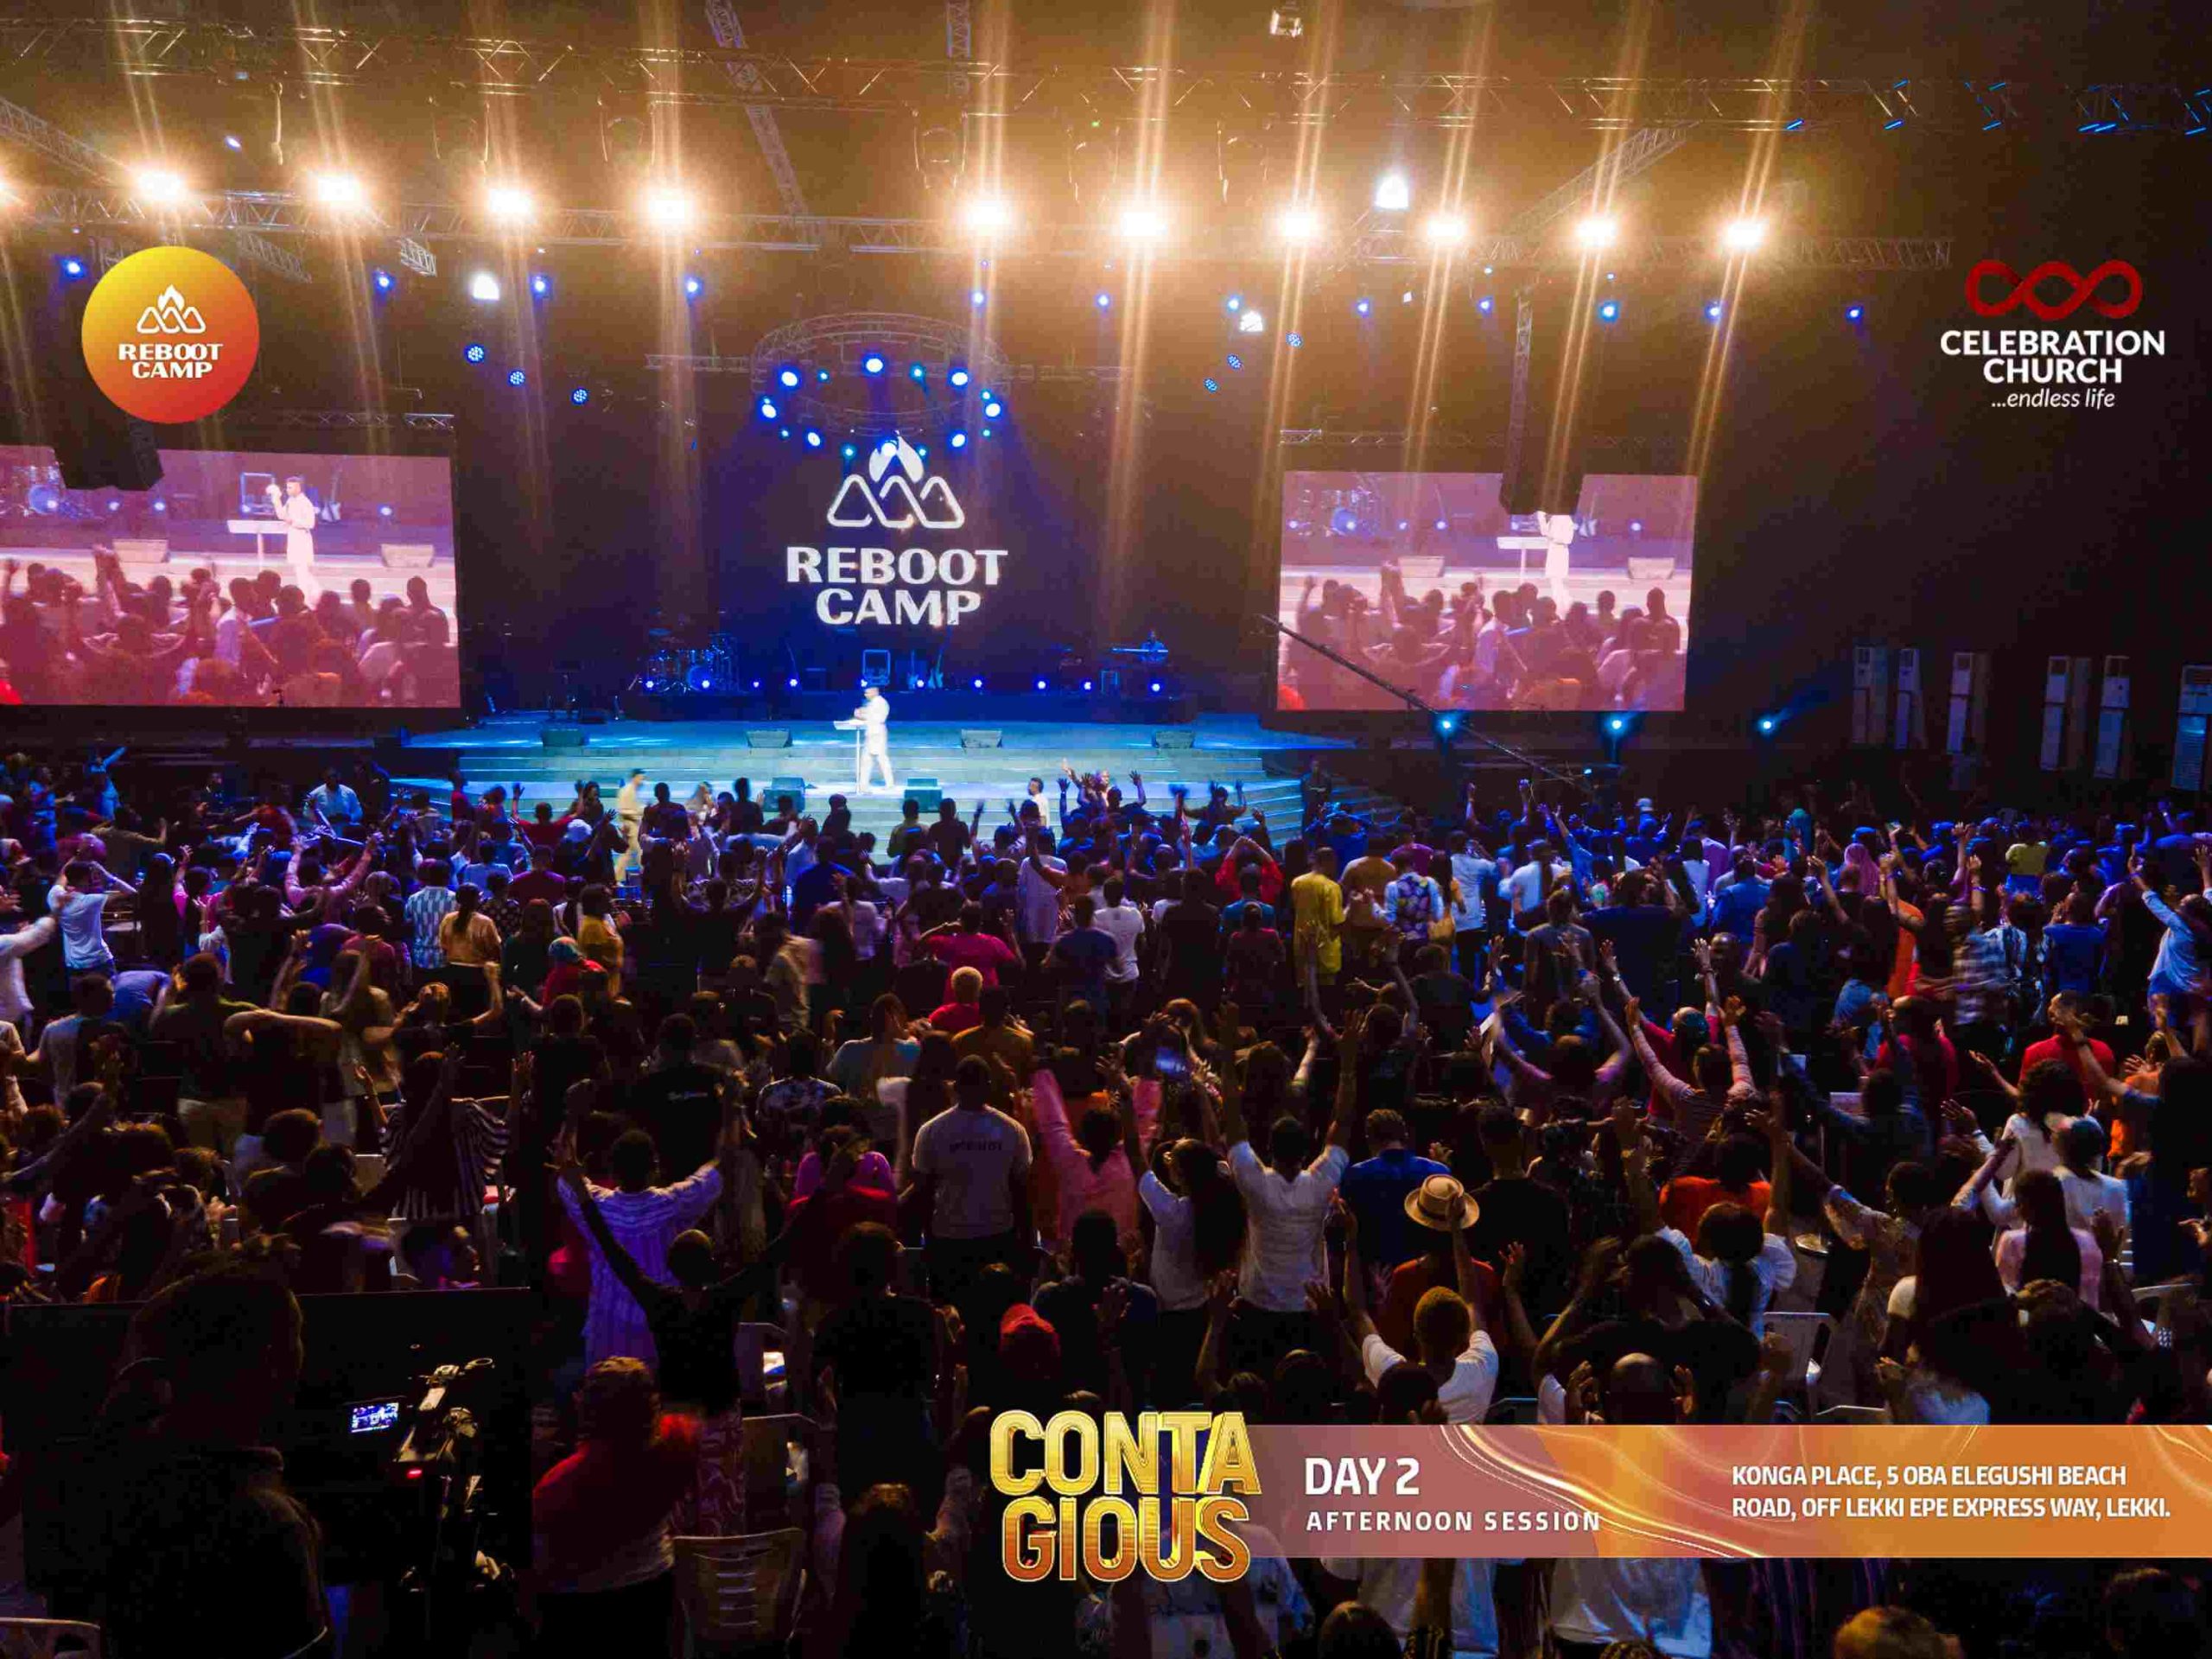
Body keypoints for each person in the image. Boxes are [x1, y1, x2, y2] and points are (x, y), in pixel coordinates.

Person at [531, 1357, 698, 1657]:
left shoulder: (559, 1485)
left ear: (587, 1411)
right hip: (658, 1594)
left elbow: (543, 1568)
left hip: (583, 1614)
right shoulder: (678, 1445)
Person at [266, 475, 321, 599]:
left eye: (290, 488)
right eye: (287, 487)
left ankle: (306, 596)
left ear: (298, 488)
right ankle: (316, 592)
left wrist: (293, 521)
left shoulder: (305, 503)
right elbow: (282, 515)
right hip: (293, 537)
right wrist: (276, 499)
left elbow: (310, 523)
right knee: (299, 569)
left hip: (302, 538)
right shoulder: (290, 501)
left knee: (302, 570)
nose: (288, 490)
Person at [850, 681, 894, 791]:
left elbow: (877, 718)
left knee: (881, 758)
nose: (866, 695)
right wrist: (861, 713)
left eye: (868, 692)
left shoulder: (881, 703)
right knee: (866, 760)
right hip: (871, 733)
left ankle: (889, 783)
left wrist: (861, 716)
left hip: (877, 734)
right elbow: (868, 713)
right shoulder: (872, 703)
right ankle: (863, 785)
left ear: (875, 691)